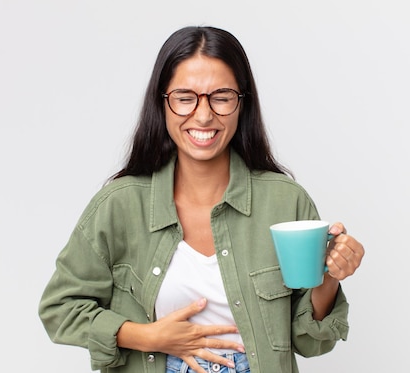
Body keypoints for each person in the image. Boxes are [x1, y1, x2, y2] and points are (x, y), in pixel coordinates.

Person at [39, 26, 364, 373]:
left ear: (242, 102)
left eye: (221, 97)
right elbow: (60, 308)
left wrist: (330, 275)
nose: (204, 115)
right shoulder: (119, 205)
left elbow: (310, 341)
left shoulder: (285, 201)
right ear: (162, 102)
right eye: (185, 97)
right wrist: (148, 338)